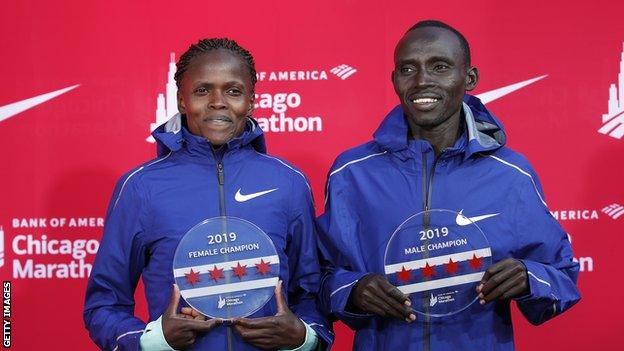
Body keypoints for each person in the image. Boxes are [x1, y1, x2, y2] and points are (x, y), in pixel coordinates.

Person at [317, 20, 581, 350]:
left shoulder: (512, 173)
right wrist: (354, 290)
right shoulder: (352, 172)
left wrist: (529, 277)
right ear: (394, 79)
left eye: (439, 67)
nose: (422, 81)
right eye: (407, 69)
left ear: (469, 78)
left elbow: (562, 276)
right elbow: (319, 278)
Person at [84, 38, 332, 351]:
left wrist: (303, 338)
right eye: (202, 90)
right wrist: (152, 341)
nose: (218, 102)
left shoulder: (289, 183)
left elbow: (311, 292)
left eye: (233, 90)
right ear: (181, 100)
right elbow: (103, 305)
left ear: (251, 100)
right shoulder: (140, 188)